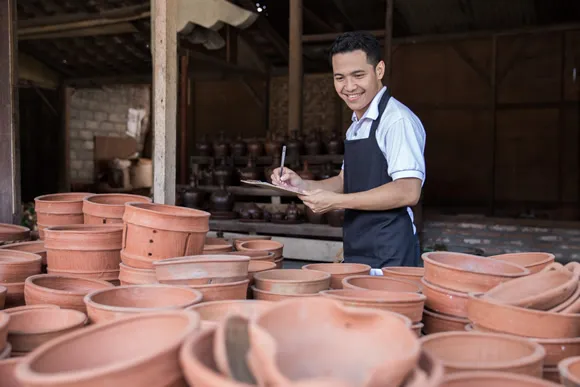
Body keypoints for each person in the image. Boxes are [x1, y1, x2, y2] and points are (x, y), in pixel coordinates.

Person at [271, 31, 426, 269]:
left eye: (358, 75)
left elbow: (408, 191)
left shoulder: (396, 121)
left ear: (379, 71)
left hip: (390, 251)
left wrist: (336, 202)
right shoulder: (356, 125)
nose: (349, 86)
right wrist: (301, 184)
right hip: (359, 245)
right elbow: (346, 180)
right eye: (340, 77)